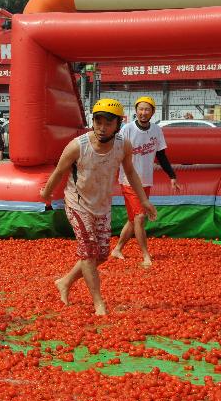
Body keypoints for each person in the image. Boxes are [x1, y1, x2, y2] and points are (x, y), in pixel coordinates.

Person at [40, 99, 156, 316]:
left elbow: (130, 172)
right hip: (78, 203)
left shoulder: (123, 145)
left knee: (101, 255)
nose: (102, 127)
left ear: (118, 124)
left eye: (108, 123)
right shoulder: (78, 146)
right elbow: (59, 171)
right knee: (88, 253)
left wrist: (144, 200)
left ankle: (64, 282)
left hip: (102, 205)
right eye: (98, 121)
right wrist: (46, 194)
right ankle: (98, 303)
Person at [111, 96, 181, 267]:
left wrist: (172, 176)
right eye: (140, 109)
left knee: (132, 219)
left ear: (152, 112)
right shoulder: (127, 129)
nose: (143, 113)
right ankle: (145, 256)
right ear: (136, 110)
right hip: (128, 180)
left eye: (147, 109)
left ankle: (117, 249)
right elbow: (115, 152)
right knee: (140, 217)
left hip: (145, 181)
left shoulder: (157, 130)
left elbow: (161, 156)